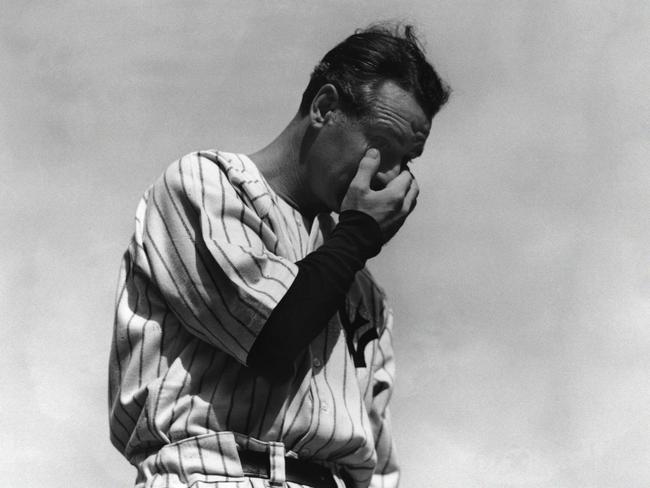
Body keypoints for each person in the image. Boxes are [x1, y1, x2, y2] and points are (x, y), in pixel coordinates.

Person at [109, 23, 449, 488]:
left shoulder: (365, 291)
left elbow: (376, 460)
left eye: (404, 161)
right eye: (380, 146)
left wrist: (352, 242)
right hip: (214, 472)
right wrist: (358, 235)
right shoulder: (207, 184)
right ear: (324, 108)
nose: (389, 175)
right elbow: (271, 340)